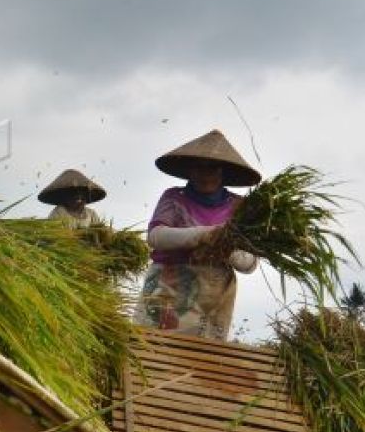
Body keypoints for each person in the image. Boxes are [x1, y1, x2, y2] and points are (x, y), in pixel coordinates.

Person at [134, 129, 260, 340]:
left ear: (223, 172)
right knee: (156, 351)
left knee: (202, 361)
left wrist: (225, 249)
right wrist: (203, 235)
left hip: (215, 294)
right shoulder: (174, 198)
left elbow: (250, 264)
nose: (205, 175)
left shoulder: (239, 207)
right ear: (189, 171)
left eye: (212, 169)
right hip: (169, 287)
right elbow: (156, 237)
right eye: (199, 168)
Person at [37, 169, 105, 228]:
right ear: (65, 197)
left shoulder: (91, 214)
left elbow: (99, 232)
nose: (79, 199)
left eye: (81, 197)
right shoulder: (59, 213)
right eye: (73, 195)